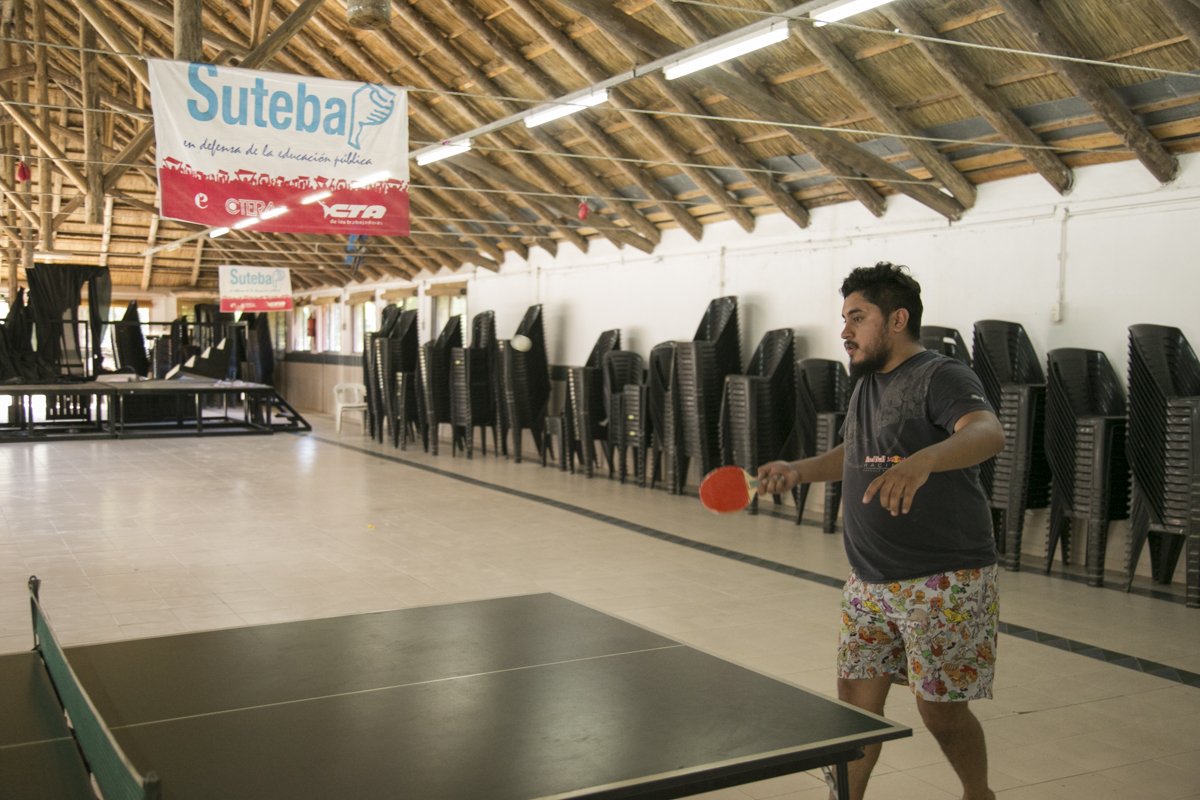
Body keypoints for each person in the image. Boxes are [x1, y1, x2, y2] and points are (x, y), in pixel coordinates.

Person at [758, 262, 1005, 800]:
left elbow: (987, 433)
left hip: (943, 580)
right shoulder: (867, 382)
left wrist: (925, 460)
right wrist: (798, 471)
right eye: (844, 318)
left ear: (897, 319)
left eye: (857, 317)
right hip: (868, 580)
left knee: (940, 712)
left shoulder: (941, 375)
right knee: (855, 710)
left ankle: (978, 794)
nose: (845, 330)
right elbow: (854, 451)